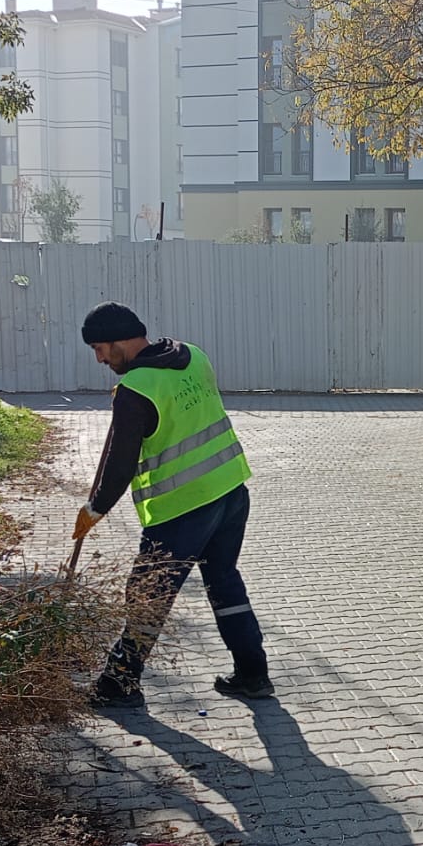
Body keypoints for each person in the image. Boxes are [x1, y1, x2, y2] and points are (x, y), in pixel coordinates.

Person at [73, 302, 274, 706]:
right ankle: (253, 674)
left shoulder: (136, 389)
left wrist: (94, 509)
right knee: (223, 580)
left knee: (147, 596)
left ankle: (118, 685)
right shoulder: (193, 356)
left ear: (123, 340)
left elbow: (120, 465)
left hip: (180, 509)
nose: (98, 358)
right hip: (230, 491)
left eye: (100, 348)